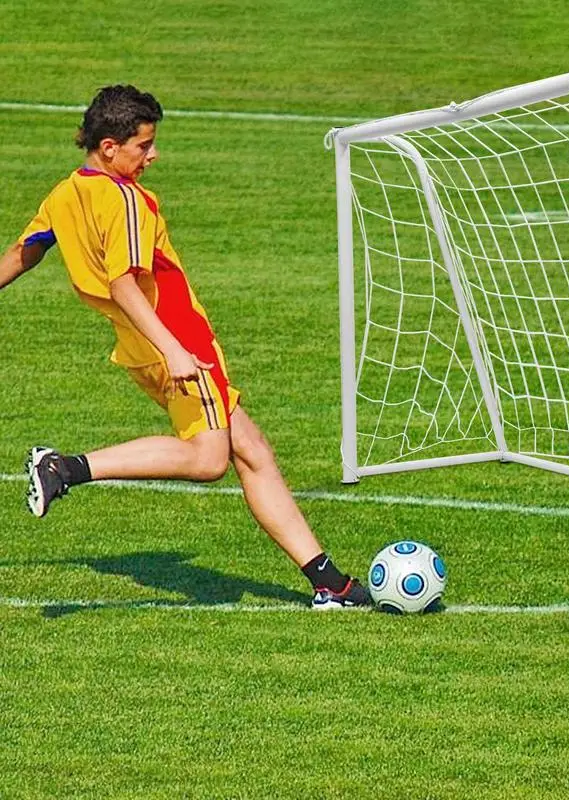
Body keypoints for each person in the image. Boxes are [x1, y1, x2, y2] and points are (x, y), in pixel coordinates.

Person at [0, 84, 370, 610]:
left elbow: (25, 251)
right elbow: (124, 281)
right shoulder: (126, 199)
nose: (153, 156)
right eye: (143, 146)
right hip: (177, 342)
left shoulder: (65, 193)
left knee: (254, 451)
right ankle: (65, 467)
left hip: (139, 344)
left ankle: (331, 583)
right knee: (207, 459)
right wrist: (175, 350)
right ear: (110, 147)